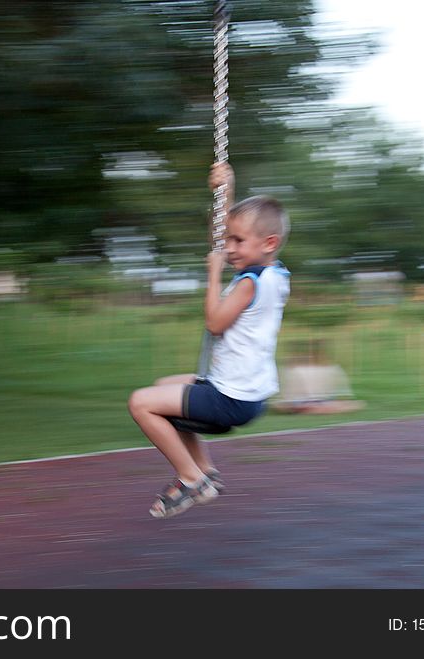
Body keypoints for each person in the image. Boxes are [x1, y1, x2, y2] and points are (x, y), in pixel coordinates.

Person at [128, 162, 290, 518]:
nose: (227, 248)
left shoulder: (249, 283)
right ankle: (205, 470)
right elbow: (232, 234)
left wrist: (214, 275)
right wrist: (227, 190)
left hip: (230, 397)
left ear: (269, 243)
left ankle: (190, 479)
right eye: (228, 239)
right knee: (165, 387)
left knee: (141, 403)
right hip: (248, 393)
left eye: (237, 242)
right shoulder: (274, 273)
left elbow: (215, 323)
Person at [272, 339, 364, 415]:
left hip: (313, 403)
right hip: (303, 403)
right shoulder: (294, 370)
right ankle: (313, 408)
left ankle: (311, 408)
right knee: (350, 405)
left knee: (353, 404)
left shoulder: (331, 369)